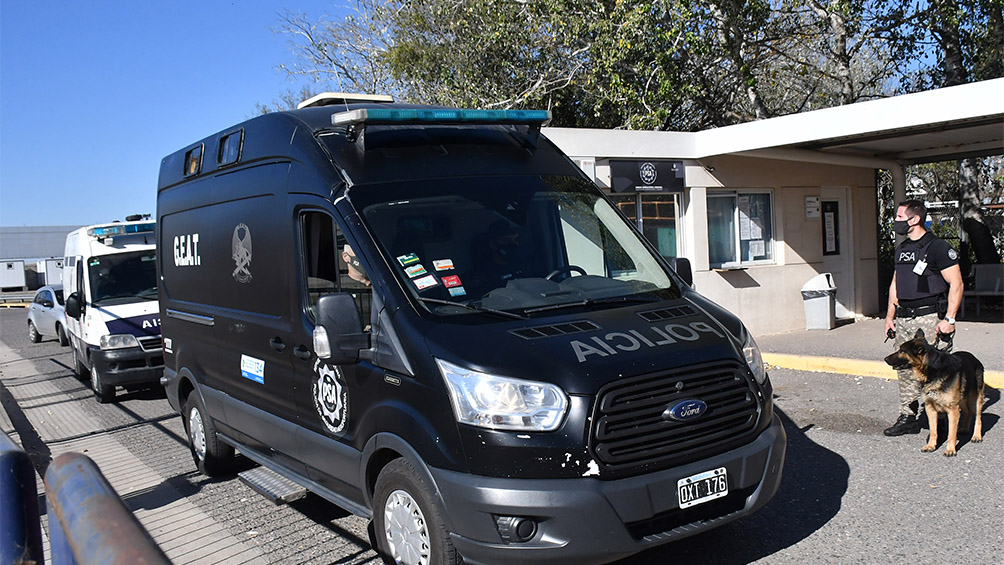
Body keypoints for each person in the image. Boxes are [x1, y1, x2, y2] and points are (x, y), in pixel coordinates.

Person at [882, 199, 964, 436]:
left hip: (929, 316)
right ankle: (908, 416)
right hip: (904, 318)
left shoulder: (938, 247)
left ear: (914, 219)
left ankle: (945, 416)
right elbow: (895, 285)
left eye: (899, 217)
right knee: (904, 368)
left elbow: (956, 283)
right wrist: (890, 317)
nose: (895, 221)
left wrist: (949, 319)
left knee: (937, 369)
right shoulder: (903, 248)